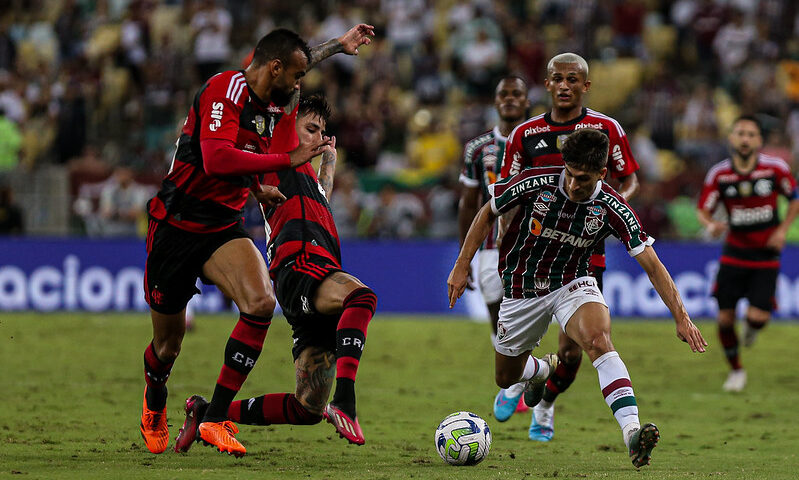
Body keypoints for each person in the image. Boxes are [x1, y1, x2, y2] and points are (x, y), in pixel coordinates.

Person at [139, 25, 374, 457]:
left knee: (261, 303)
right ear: (274, 68)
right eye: (296, 76)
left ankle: (213, 418)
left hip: (221, 226)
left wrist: (338, 48)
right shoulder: (224, 90)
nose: (300, 85)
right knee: (168, 345)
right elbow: (214, 157)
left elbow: (249, 151)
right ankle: (155, 399)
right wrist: (285, 160)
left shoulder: (272, 105)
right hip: (175, 224)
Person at [448, 128, 707, 468]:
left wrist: (682, 317)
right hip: (522, 287)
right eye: (569, 174)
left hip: (573, 282)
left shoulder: (612, 207)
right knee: (505, 377)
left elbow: (654, 267)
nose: (572, 184)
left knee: (599, 341)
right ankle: (541, 370)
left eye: (582, 178)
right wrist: (461, 265)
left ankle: (631, 433)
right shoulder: (534, 181)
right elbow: (487, 212)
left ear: (602, 173)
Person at [174, 94, 376, 451]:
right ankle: (345, 400)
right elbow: (288, 99)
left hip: (316, 269)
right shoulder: (277, 160)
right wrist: (333, 47)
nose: (317, 137)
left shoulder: (308, 180)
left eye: (322, 131)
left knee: (308, 407)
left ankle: (208, 412)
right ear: (287, 128)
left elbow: (323, 193)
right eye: (310, 129)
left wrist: (328, 156)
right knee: (360, 297)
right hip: (298, 264)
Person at [496, 52, 641, 442]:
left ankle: (544, 405)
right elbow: (506, 195)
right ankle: (522, 374)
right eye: (557, 78)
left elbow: (628, 181)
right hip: (533, 254)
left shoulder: (607, 128)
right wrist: (505, 235)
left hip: (583, 252)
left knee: (575, 349)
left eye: (573, 79)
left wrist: (611, 207)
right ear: (547, 84)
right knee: (511, 347)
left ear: (585, 86)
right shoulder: (524, 135)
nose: (565, 86)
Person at [696, 115, 799, 392]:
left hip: (766, 254)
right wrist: (711, 225)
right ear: (731, 138)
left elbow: (794, 198)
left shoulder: (775, 169)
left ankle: (752, 329)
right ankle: (736, 371)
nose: (745, 139)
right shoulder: (719, 174)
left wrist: (782, 231)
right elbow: (703, 209)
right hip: (733, 253)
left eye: (750, 134)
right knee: (725, 319)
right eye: (740, 133)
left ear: (759, 141)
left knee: (757, 318)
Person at [458, 75, 530, 414]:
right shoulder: (477, 148)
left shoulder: (539, 141)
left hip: (531, 241)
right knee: (494, 308)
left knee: (527, 311)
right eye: (504, 94)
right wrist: (464, 257)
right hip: (488, 244)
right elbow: (468, 202)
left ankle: (525, 379)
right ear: (496, 100)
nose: (511, 99)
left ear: (527, 101)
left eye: (517, 94)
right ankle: (516, 377)